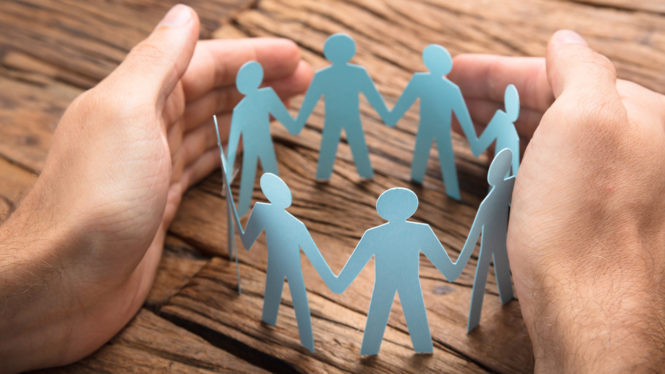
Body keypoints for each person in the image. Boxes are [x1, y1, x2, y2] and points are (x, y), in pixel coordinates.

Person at [0, 4, 664, 372]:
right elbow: (426, 251)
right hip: (300, 172)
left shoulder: (379, 226)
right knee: (335, 165)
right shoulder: (402, 219)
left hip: (341, 176)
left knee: (356, 234)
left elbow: (277, 232)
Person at [330, 187, 467, 355]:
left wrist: (338, 283)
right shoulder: (419, 231)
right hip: (406, 283)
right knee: (410, 318)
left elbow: (351, 269)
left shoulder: (374, 234)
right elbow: (446, 267)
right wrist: (460, 262)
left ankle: (373, 350)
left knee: (381, 318)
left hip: (389, 283)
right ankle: (414, 348)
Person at [225, 173, 337, 352]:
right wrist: (332, 279)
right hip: (281, 265)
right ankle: (302, 339)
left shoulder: (273, 215)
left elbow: (246, 243)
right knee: (293, 299)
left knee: (292, 298)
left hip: (281, 265)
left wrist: (332, 279)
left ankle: (302, 339)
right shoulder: (273, 215)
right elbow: (312, 253)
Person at [386, 44, 478, 200]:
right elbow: (462, 115)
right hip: (432, 126)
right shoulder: (445, 87)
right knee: (437, 155)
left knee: (439, 155)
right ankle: (432, 184)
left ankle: (447, 189)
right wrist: (473, 138)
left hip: (434, 126)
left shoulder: (439, 85)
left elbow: (462, 114)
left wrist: (393, 117)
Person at [294, 33, 390, 180]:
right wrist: (386, 115)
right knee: (342, 144)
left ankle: (331, 175)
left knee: (338, 144)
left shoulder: (324, 75)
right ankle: (335, 174)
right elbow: (373, 96)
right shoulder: (355, 73)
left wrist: (299, 122)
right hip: (344, 117)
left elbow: (310, 101)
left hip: (342, 117)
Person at [226, 61, 299, 216]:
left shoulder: (262, 97)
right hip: (252, 144)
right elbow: (234, 135)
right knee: (252, 176)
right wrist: (230, 159)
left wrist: (292, 126)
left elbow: (280, 113)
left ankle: (273, 210)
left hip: (263, 143)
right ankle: (243, 211)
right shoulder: (242, 107)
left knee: (267, 174)